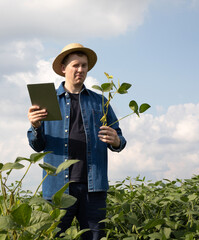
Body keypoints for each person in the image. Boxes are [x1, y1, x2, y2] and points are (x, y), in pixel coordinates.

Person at [27, 43, 126, 240]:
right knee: (54, 236)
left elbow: (120, 140)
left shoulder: (100, 101)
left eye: (84, 65)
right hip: (58, 188)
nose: (80, 70)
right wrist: (36, 126)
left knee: (95, 237)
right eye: (75, 65)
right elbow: (37, 145)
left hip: (93, 187)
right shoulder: (47, 100)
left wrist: (116, 141)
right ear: (63, 69)